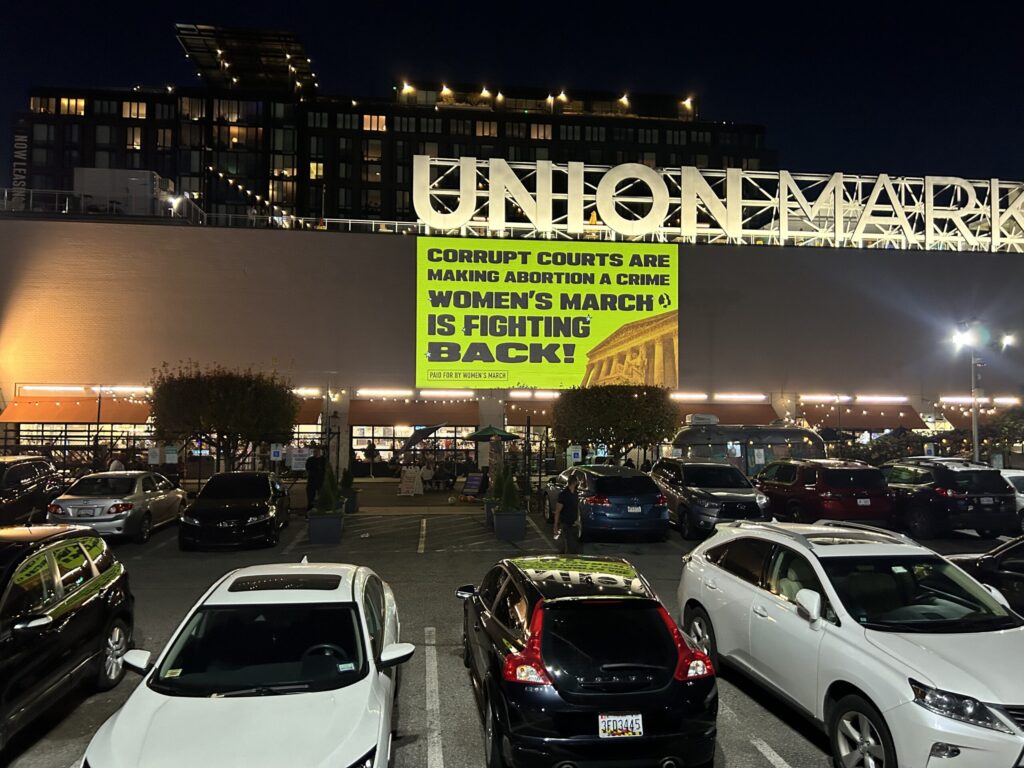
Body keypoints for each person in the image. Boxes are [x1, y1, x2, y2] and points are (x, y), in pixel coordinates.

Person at [554, 475, 581, 555]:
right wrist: (556, 525)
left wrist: (578, 521)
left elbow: (577, 508)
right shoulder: (564, 495)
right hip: (566, 523)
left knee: (574, 546)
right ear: (575, 482)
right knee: (569, 546)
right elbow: (558, 511)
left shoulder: (575, 493)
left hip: (574, 523)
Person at [305, 446, 326, 511]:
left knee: (321, 496)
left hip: (320, 481)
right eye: (314, 451)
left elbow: (326, 469)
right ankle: (310, 509)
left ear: (319, 452)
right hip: (312, 481)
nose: (315, 453)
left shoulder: (323, 460)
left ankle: (321, 509)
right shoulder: (310, 460)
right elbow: (307, 468)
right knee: (311, 497)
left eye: (316, 451)